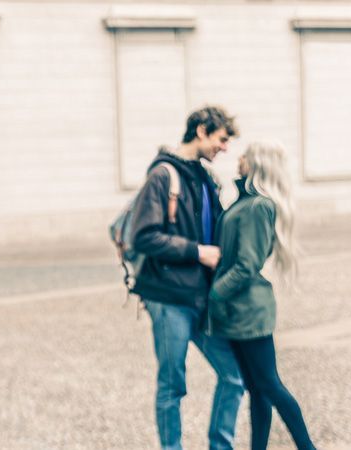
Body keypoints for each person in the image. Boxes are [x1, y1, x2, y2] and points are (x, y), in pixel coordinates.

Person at [129, 106, 245, 450]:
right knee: (172, 385)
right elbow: (144, 236)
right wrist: (198, 252)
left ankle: (219, 446)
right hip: (168, 298)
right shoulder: (164, 176)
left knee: (234, 376)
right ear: (201, 131)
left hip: (201, 297)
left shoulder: (206, 178)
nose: (224, 148)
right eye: (221, 139)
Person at [208, 141, 315, 450]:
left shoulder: (258, 206)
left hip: (249, 310)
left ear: (256, 164)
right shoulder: (244, 202)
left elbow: (247, 265)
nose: (237, 159)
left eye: (244, 156)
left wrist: (215, 292)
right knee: (257, 389)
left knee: (269, 384)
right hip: (238, 309)